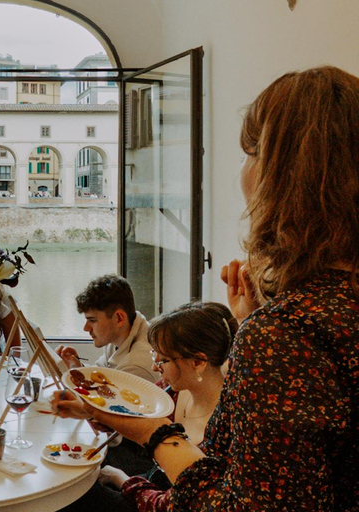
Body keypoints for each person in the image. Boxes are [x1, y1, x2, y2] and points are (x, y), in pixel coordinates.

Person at [54, 66, 359, 511]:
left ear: (282, 177)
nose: (243, 174)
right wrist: (249, 321)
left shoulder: (286, 334)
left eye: (248, 155)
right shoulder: (310, 317)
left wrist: (153, 434)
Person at [91, 302, 236, 512]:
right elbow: (133, 411)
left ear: (198, 362)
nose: (154, 366)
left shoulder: (223, 428)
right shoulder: (172, 391)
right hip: (153, 479)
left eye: (163, 360)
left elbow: (168, 505)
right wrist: (94, 411)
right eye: (154, 356)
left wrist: (121, 479)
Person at [56, 274, 159, 383]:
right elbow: (101, 375)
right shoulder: (120, 336)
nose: (86, 328)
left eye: (93, 320)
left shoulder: (136, 366)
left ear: (119, 318)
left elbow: (105, 398)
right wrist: (77, 365)